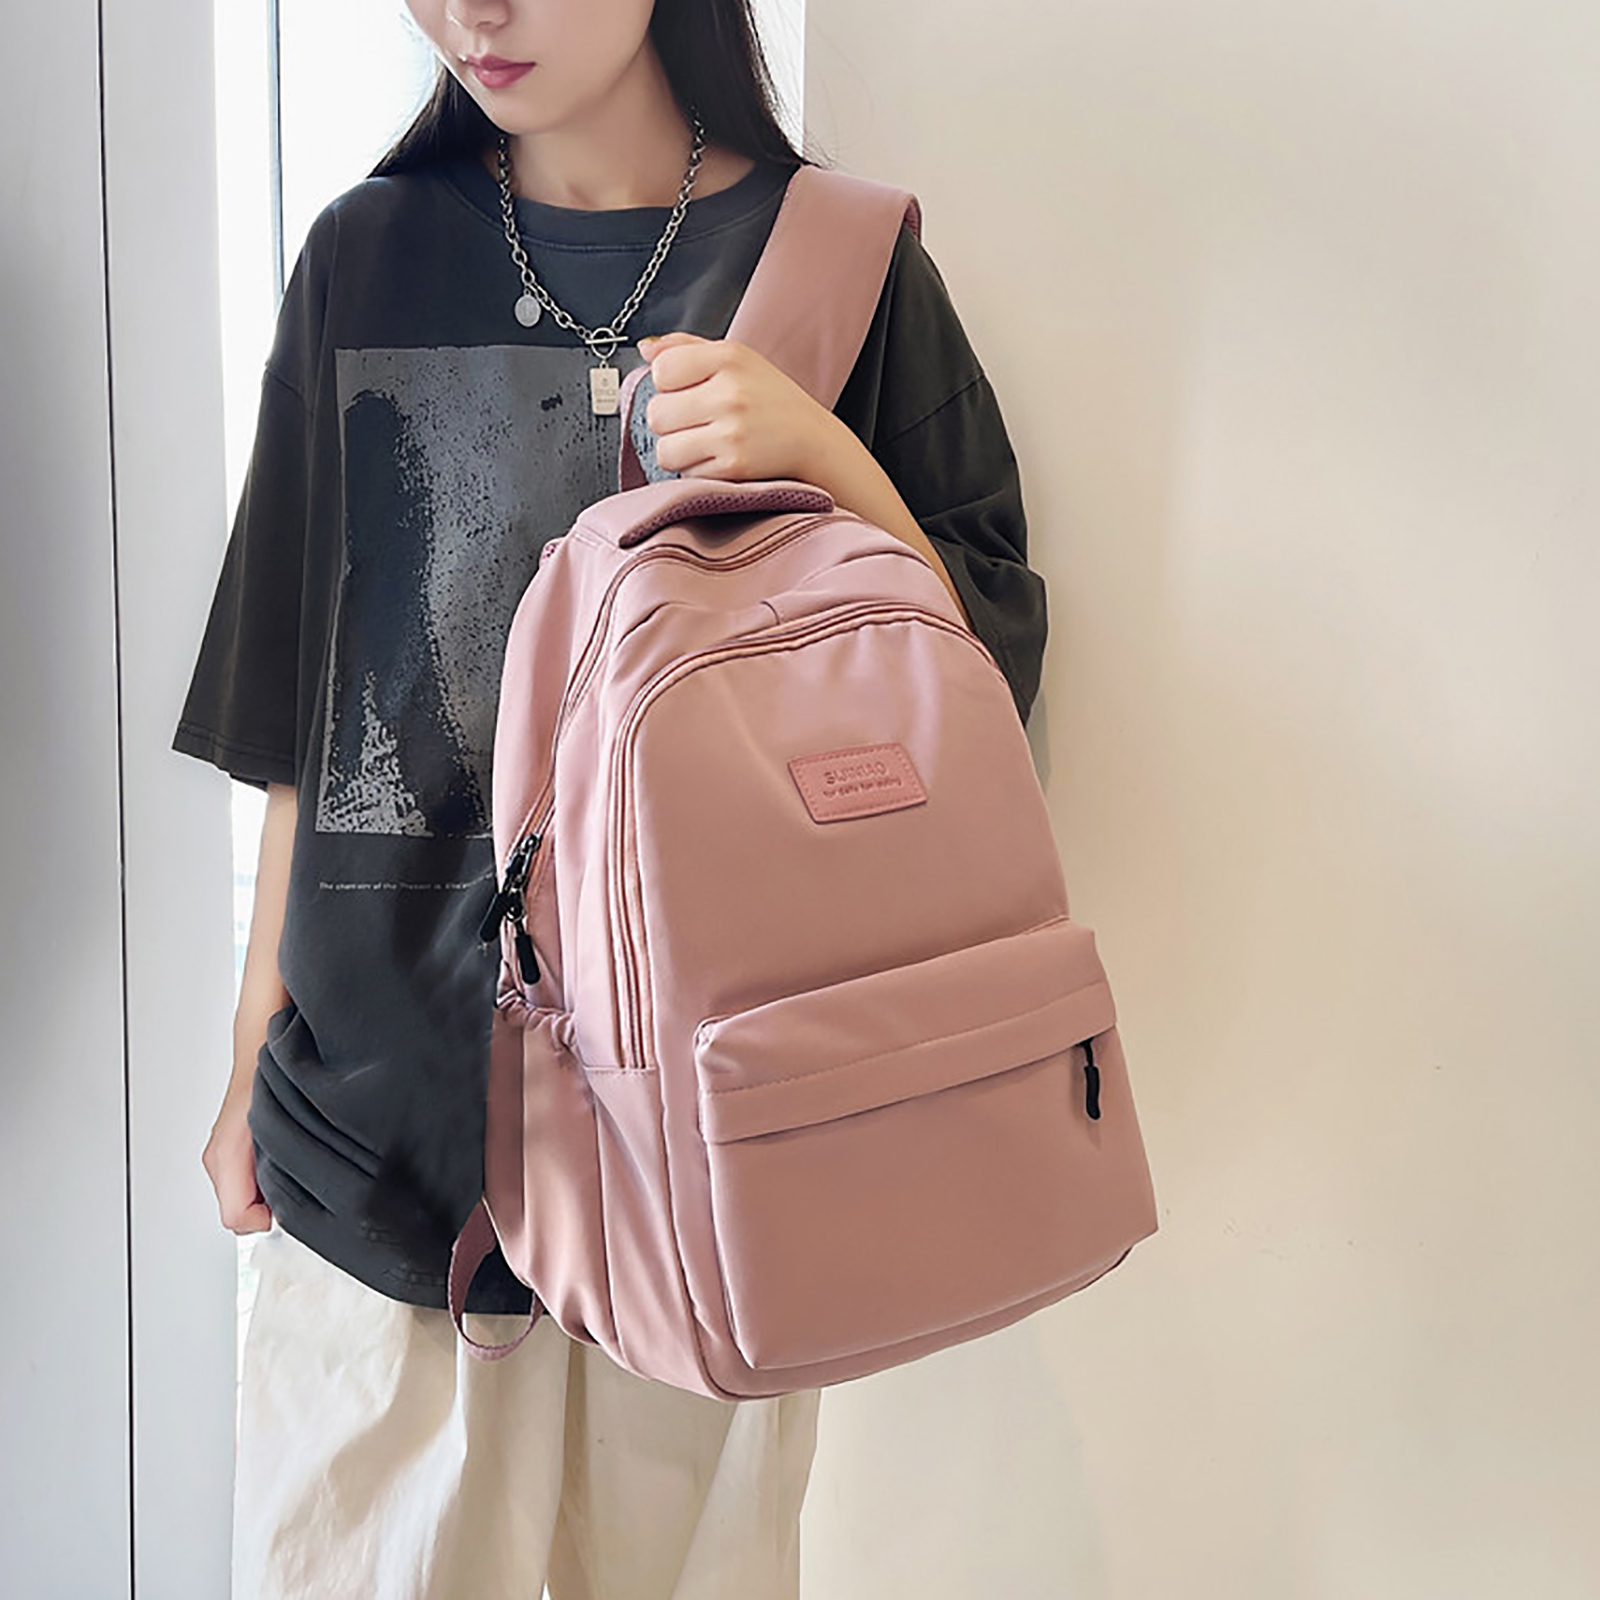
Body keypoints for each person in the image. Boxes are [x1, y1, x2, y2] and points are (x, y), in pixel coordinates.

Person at [173, 0, 1049, 1595]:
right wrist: (251, 1047)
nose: (471, 13)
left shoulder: (843, 272)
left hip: (711, 1169)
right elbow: (305, 696)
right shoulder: (365, 256)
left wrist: (825, 461)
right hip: (377, 1156)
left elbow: (975, 693)